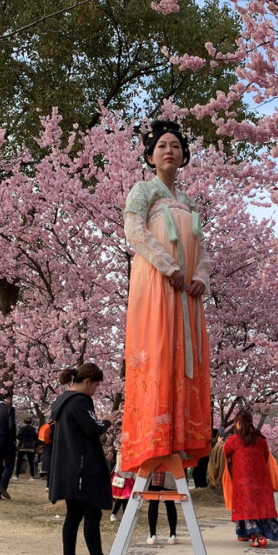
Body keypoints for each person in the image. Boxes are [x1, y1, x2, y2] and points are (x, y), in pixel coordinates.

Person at [120, 119, 211, 474]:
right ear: (150, 155)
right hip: (157, 285)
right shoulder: (143, 191)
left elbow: (202, 247)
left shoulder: (189, 202)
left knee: (185, 355)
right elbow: (134, 230)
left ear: (184, 155)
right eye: (162, 146)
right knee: (158, 350)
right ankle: (152, 439)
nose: (169, 150)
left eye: (175, 145)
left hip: (187, 294)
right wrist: (167, 265)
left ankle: (179, 438)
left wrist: (200, 276)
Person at [48, 363, 123, 555]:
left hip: (67, 467)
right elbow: (92, 428)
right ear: (88, 381)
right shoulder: (80, 401)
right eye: (96, 385)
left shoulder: (61, 401)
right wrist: (108, 420)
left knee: (74, 516)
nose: (96, 390)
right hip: (83, 467)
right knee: (92, 514)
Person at [224, 410, 278, 547]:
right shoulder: (261, 439)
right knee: (260, 507)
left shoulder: (234, 440)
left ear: (239, 423)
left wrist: (221, 444)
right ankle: (247, 534)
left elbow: (224, 453)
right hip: (262, 480)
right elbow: (266, 456)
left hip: (242, 481)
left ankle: (258, 536)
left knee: (247, 507)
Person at [146, 468, 178, 544]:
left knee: (154, 503)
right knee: (169, 503)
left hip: (156, 471)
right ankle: (172, 534)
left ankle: (152, 535)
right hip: (167, 471)